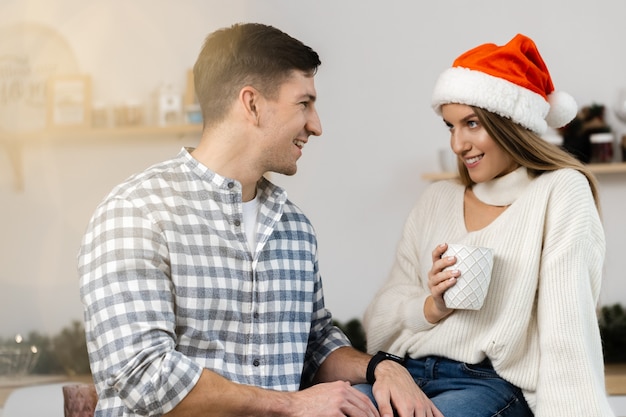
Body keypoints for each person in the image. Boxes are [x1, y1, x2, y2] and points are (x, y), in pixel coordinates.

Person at [78, 22, 434, 417]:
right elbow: (145, 376)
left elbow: (315, 345)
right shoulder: (136, 212)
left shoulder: (293, 228)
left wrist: (382, 367)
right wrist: (291, 405)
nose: (316, 125)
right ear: (251, 104)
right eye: (304, 103)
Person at [362, 34, 615, 417]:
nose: (458, 144)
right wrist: (432, 307)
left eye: (472, 123)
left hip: (489, 384)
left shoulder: (559, 191)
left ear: (510, 123)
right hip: (404, 372)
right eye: (450, 126)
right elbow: (379, 322)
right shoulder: (437, 199)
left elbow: (568, 328)